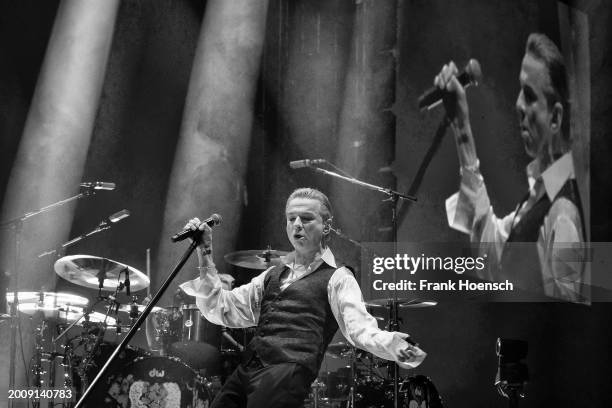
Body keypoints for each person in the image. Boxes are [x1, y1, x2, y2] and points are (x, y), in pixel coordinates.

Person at [179, 187, 426, 408]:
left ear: (326, 226)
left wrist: (398, 347)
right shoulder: (271, 275)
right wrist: (205, 251)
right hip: (249, 369)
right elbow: (223, 307)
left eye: (306, 218)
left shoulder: (338, 278)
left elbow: (360, 329)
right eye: (291, 218)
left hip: (288, 371)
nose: (297, 224)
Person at [439, 33, 586, 302]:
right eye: (520, 91)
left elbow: (563, 324)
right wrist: (461, 127)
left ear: (555, 118)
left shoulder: (562, 212)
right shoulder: (541, 197)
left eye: (529, 95)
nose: (518, 104)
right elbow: (492, 253)